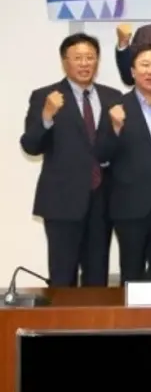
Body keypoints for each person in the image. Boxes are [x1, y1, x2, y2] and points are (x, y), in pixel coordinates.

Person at [21, 33, 122, 287]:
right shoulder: (45, 96)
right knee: (62, 277)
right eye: (78, 58)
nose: (85, 63)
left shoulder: (112, 97)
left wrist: (118, 130)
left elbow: (117, 150)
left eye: (90, 57)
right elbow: (30, 145)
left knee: (97, 278)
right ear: (65, 61)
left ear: (97, 61)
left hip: (102, 202)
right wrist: (46, 116)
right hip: (62, 202)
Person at [97, 44, 151, 282]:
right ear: (133, 71)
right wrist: (115, 129)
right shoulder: (114, 108)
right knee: (132, 275)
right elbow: (100, 155)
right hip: (129, 208)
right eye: (145, 65)